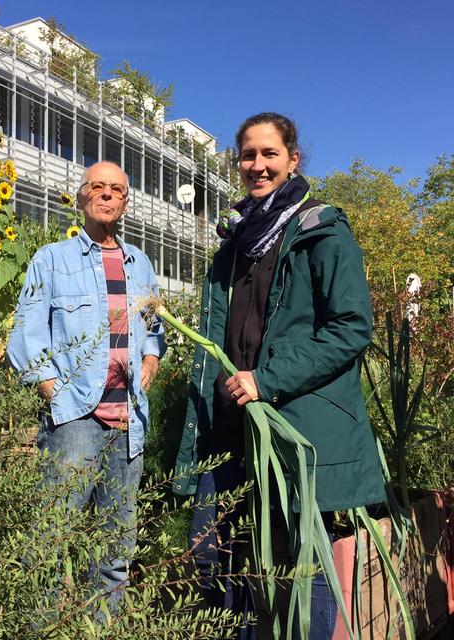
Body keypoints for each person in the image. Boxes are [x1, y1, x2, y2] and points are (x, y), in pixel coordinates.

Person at [173, 113, 385, 638]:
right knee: (215, 557)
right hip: (230, 429)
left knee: (302, 565)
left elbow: (351, 327)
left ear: (293, 159)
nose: (258, 165)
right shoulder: (233, 248)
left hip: (294, 430)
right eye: (249, 155)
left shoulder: (322, 230)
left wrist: (267, 379)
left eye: (270, 153)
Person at [7, 161, 165, 609]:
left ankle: (102, 627)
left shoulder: (141, 264)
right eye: (98, 187)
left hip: (129, 420)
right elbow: (27, 333)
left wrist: (151, 358)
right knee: (48, 545)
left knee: (116, 551)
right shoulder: (52, 260)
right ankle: (42, 628)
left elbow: (154, 328)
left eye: (117, 189)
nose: (108, 195)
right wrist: (52, 390)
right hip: (76, 417)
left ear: (126, 202)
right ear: (81, 197)